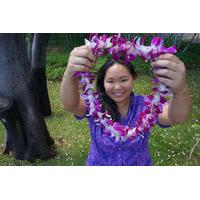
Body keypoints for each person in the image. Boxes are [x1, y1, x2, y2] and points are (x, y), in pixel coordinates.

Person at [60, 45, 192, 166]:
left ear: (133, 78)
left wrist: (181, 89)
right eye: (110, 81)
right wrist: (69, 73)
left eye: (123, 80)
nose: (118, 87)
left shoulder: (147, 106)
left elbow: (175, 117)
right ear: (103, 83)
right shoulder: (95, 104)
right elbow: (71, 105)